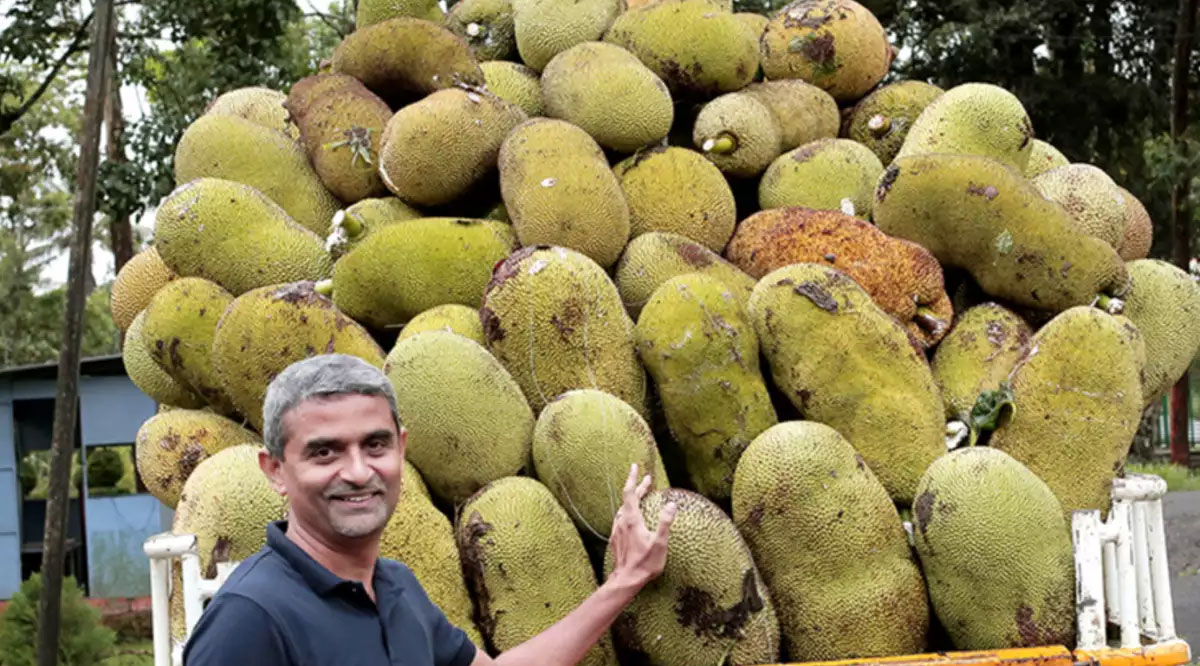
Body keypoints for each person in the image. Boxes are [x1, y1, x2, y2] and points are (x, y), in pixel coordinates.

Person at [183, 353, 678, 666]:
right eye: (324, 452)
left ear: (401, 448)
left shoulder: (396, 589)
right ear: (274, 470)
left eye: (375, 445)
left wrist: (624, 582)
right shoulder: (250, 619)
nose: (357, 471)